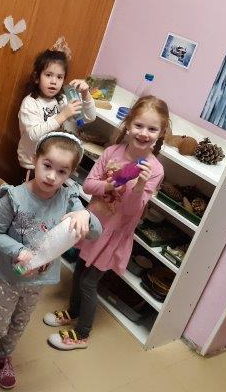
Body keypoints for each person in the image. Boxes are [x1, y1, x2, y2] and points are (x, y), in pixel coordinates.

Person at [0, 132, 102, 392]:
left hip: (38, 280)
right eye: (47, 166)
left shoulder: (69, 199)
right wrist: (18, 250)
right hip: (7, 277)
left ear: (71, 174)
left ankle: (3, 357)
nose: (52, 176)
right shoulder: (13, 198)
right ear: (35, 159)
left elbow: (95, 233)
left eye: (62, 172)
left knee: (19, 323)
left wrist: (85, 214)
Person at [44, 95, 169, 350]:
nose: (144, 133)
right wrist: (112, 183)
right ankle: (73, 311)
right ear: (128, 124)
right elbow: (89, 186)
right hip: (92, 224)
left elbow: (132, 211)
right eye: (139, 125)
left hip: (113, 235)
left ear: (161, 133)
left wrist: (140, 186)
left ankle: (82, 334)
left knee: (89, 282)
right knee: (79, 270)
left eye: (152, 129)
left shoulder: (155, 170)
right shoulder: (112, 152)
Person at [17, 49, 97, 179]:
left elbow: (89, 117)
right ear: (37, 77)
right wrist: (62, 116)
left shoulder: (62, 99)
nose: (54, 81)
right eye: (48, 75)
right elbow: (34, 135)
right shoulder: (30, 102)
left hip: (56, 162)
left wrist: (86, 94)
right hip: (33, 163)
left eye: (59, 77)